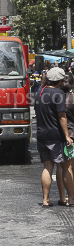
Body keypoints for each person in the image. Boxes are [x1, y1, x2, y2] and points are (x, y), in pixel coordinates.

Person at [34, 67, 74, 207]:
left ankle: (45, 200)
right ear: (60, 81)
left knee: (47, 167)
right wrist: (67, 136)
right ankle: (71, 199)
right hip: (56, 136)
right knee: (66, 166)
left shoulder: (40, 93)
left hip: (41, 135)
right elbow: (62, 116)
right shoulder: (58, 94)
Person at [56, 74, 74, 205]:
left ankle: (62, 197)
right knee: (71, 167)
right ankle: (72, 196)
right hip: (72, 135)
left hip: (60, 135)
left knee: (61, 166)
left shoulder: (55, 98)